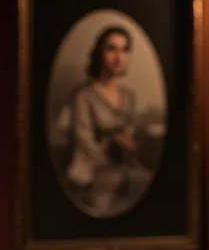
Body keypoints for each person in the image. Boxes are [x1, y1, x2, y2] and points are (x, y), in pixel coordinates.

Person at [52, 23, 152, 218]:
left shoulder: (128, 96)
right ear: (99, 53)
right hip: (91, 170)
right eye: (111, 49)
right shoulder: (83, 96)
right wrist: (111, 158)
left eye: (124, 49)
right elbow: (84, 141)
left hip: (123, 167)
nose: (118, 57)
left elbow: (128, 136)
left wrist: (129, 147)